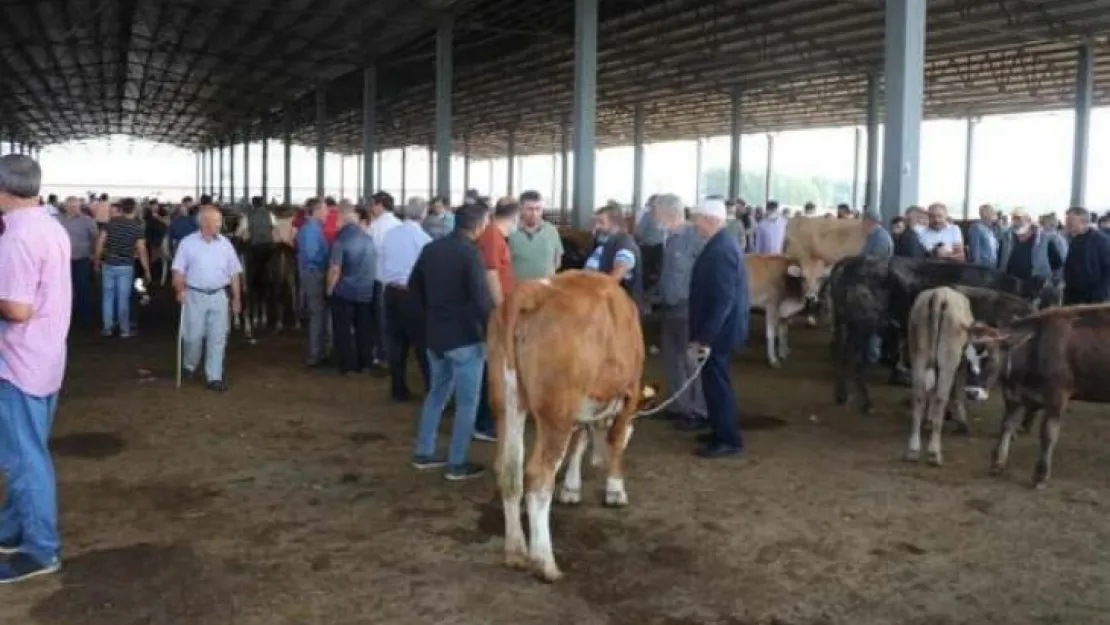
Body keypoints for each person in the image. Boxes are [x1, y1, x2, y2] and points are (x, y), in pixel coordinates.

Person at [0, 155, 70, 583]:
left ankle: (41, 550)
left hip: (19, 359)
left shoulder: (16, 238)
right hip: (47, 357)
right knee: (25, 450)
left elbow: (18, 309)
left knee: (25, 458)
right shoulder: (51, 226)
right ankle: (11, 527)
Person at [408, 203, 494, 481]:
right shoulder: (471, 255)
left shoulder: (431, 249)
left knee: (436, 394)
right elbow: (481, 300)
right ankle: (457, 463)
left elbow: (414, 287)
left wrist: (432, 317)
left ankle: (424, 452)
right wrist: (493, 331)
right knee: (467, 403)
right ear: (480, 226)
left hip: (435, 337)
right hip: (466, 338)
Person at [687, 197, 748, 459]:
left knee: (717, 384)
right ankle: (719, 429)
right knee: (713, 383)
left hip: (719, 332)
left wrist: (706, 337)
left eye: (697, 220)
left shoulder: (721, 250)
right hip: (720, 330)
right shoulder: (721, 245)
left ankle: (727, 438)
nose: (695, 226)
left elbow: (723, 300)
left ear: (711, 220)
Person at [651, 193, 708, 431]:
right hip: (669, 307)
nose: (653, 216)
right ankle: (679, 404)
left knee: (689, 360)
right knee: (672, 359)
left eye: (655, 211)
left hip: (688, 308)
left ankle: (698, 411)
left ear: (667, 213)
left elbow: (705, 272)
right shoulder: (670, 238)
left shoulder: (695, 237)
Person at [171, 206, 242, 392]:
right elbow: (178, 271)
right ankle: (190, 364)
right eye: (217, 221)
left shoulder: (226, 244)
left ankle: (214, 376)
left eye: (220, 221)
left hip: (219, 295)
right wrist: (180, 289)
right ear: (204, 223)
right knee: (193, 336)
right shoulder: (187, 243)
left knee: (218, 337)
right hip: (194, 295)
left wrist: (236, 298)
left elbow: (234, 273)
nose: (220, 224)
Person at [472, 199, 520, 441]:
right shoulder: (492, 236)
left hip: (495, 308)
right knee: (490, 366)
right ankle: (483, 421)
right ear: (515, 218)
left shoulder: (496, 236)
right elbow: (490, 273)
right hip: (493, 311)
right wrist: (502, 309)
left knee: (494, 365)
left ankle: (485, 417)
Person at [380, 197, 433, 400]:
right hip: (412, 295)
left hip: (390, 293)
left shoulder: (390, 235)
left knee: (396, 344)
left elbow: (383, 260)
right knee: (422, 345)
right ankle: (430, 388)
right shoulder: (424, 240)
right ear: (424, 214)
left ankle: (398, 389)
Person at [326, 204, 377, 375]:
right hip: (365, 291)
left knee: (343, 329)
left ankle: (347, 365)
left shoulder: (340, 241)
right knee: (364, 328)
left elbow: (335, 269)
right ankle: (366, 363)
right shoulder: (369, 240)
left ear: (343, 222)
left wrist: (330, 288)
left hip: (345, 291)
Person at [94, 197, 151, 338]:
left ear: (121, 208)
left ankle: (107, 327)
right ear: (134, 209)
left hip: (108, 264)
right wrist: (147, 269)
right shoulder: (137, 227)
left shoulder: (110, 223)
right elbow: (142, 250)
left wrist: (96, 260)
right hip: (126, 265)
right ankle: (124, 330)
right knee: (123, 298)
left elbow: (100, 243)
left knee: (107, 297)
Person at [585, 203, 643, 310]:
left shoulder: (625, 244)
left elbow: (617, 275)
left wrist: (595, 292)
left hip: (619, 310)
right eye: (596, 223)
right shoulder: (603, 244)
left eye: (601, 223)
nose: (596, 227)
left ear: (616, 225)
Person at [297, 198, 331, 367]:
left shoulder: (312, 228)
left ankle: (318, 351)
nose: (328, 213)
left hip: (313, 274)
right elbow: (312, 255)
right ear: (316, 211)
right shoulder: (311, 229)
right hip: (314, 274)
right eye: (325, 210)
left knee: (318, 312)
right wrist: (328, 260)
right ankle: (315, 355)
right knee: (317, 313)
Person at [367, 192, 400, 366]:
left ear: (380, 205)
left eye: (373, 204)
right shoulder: (398, 224)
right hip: (396, 279)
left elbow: (370, 250)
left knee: (379, 318)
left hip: (378, 277)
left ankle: (381, 354)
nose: (371, 208)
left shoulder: (376, 226)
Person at [58, 196, 99, 328]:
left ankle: (85, 317)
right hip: (61, 260)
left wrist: (93, 253)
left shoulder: (87, 221)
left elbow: (96, 238)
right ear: (65, 207)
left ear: (79, 207)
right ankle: (65, 315)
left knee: (82, 287)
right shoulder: (58, 220)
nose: (72, 209)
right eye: (69, 206)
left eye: (75, 206)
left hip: (82, 259)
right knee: (63, 289)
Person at [507, 190, 563, 281]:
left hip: (545, 290)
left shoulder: (551, 231)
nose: (534, 214)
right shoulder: (510, 232)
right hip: (519, 291)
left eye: (538, 209)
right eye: (530, 209)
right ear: (520, 209)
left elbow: (557, 262)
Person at [997, 208, 1065, 282]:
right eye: (1014, 218)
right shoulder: (1005, 239)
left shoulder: (1046, 241)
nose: (1016, 222)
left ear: (1029, 221)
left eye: (1019, 218)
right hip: (1009, 286)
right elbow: (999, 263)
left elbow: (1058, 268)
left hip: (1036, 289)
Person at [1062, 207, 1110, 305]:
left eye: (1070, 221)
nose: (1067, 224)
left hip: (1094, 299)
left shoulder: (1101, 241)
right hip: (1073, 298)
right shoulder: (1074, 240)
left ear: (1083, 222)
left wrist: (1100, 296)